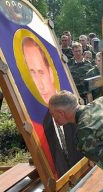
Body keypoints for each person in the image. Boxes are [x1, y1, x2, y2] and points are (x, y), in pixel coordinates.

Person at [22, 37, 83, 177]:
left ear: (50, 73)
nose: (38, 82)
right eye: (32, 73)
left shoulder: (70, 107)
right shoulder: (38, 120)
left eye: (41, 72)